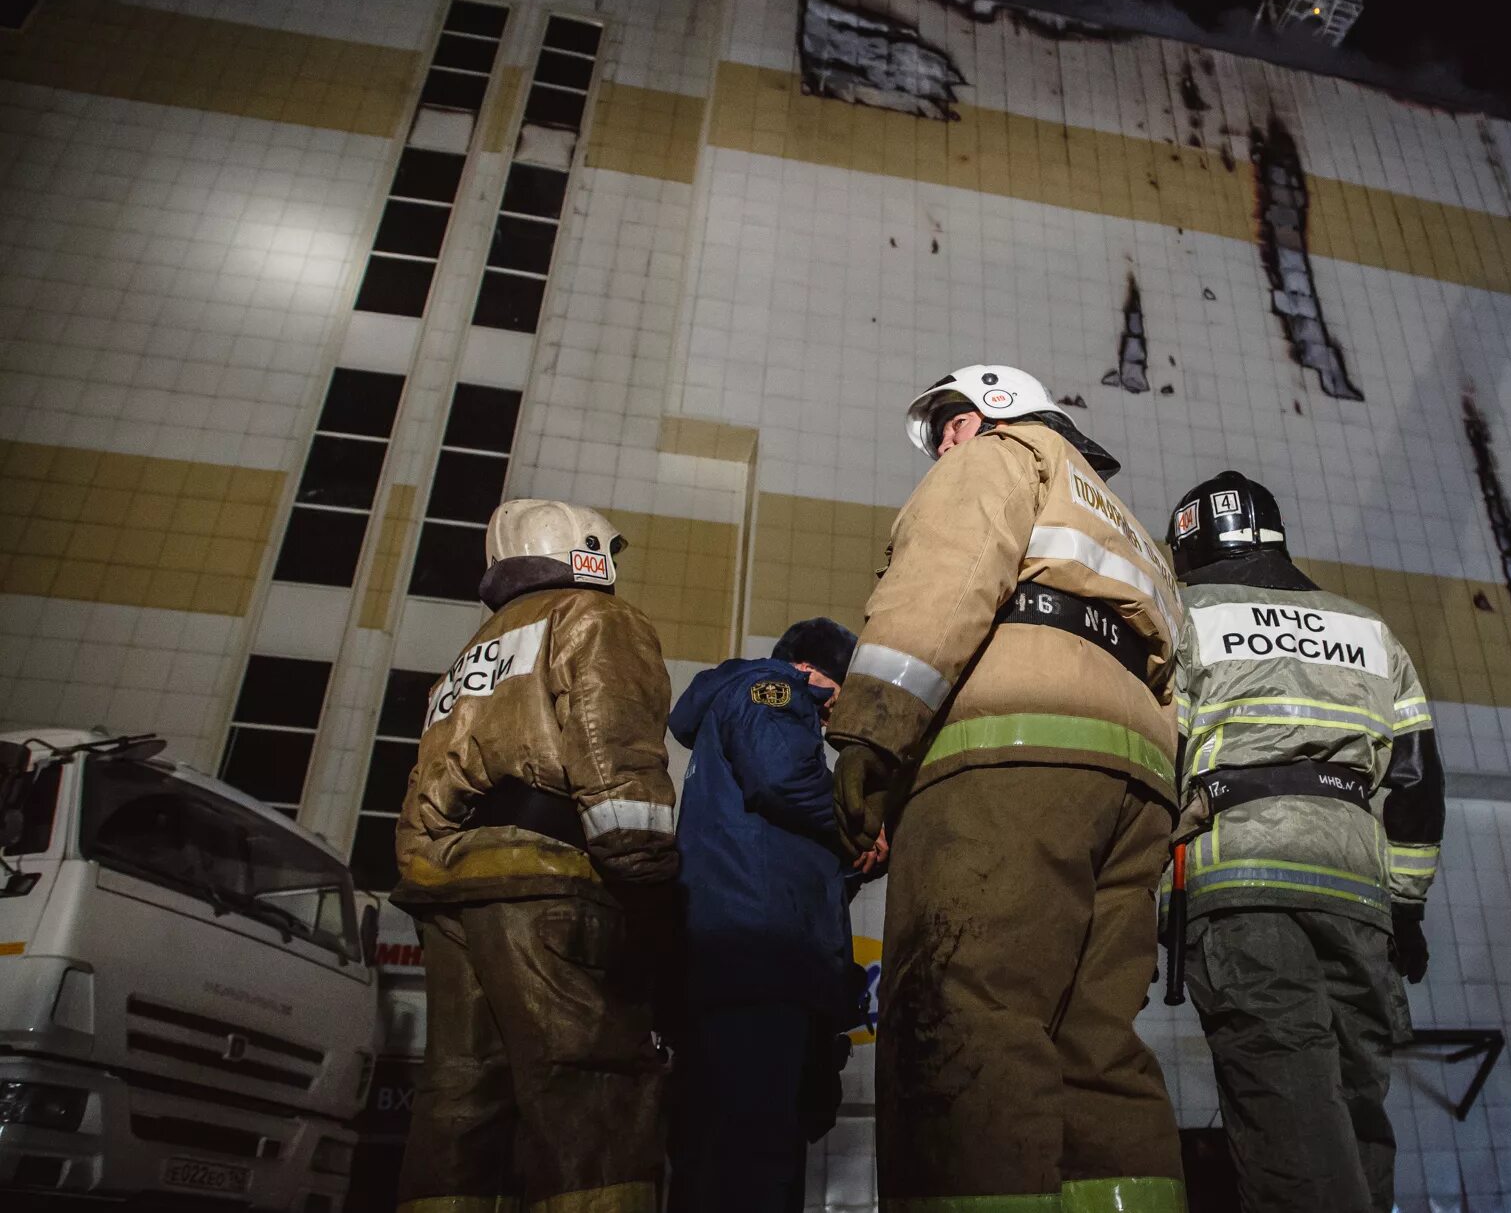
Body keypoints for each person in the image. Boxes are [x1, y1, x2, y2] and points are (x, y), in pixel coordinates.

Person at [827, 364, 1187, 1212]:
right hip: (1134, 787)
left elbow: (945, 584)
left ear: (988, 412)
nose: (944, 447)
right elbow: (1184, 680)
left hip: (1014, 750)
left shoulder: (1004, 456)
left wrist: (873, 736)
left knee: (965, 1021)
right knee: (1096, 1052)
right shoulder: (1132, 527)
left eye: (949, 425)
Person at [1165, 471, 1446, 1213]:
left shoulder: (1182, 614)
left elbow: (1157, 756)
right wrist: (1407, 907)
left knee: (1284, 1095)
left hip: (1242, 879)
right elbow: (1418, 784)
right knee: (1358, 1097)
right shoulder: (1369, 629)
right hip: (1358, 891)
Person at [392, 499, 681, 1213]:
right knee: (592, 1092)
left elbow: (423, 791)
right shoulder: (595, 619)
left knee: (459, 1102)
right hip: (553, 883)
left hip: (456, 891)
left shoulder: (471, 655)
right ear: (585, 549)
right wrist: (650, 894)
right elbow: (612, 750)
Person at [666, 616, 868, 1213]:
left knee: (719, 1146)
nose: (835, 719)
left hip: (740, 956)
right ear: (812, 671)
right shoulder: (773, 688)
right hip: (763, 954)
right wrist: (858, 828)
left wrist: (853, 861)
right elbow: (783, 779)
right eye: (840, 696)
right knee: (755, 1152)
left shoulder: (740, 714)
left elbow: (782, 836)